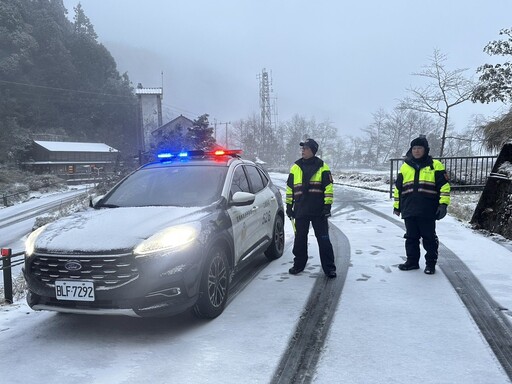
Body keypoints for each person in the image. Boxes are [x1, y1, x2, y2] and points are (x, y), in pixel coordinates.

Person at [393, 136, 451, 275]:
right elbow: (398, 188)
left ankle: (430, 263)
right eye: (414, 148)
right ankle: (412, 262)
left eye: (419, 148)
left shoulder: (435, 165)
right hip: (409, 208)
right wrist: (397, 206)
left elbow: (444, 186)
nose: (417, 151)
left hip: (427, 209)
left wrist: (443, 204)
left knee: (429, 238)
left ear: (425, 150)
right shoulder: (405, 166)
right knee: (411, 237)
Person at [286, 138, 337, 278]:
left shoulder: (323, 167)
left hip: (318, 211)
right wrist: (289, 205)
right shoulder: (295, 167)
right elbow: (290, 188)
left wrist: (327, 207)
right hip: (301, 210)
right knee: (300, 240)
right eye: (302, 148)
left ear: (313, 151)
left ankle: (329, 268)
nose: (302, 150)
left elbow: (328, 188)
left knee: (324, 240)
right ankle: (298, 265)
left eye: (306, 148)